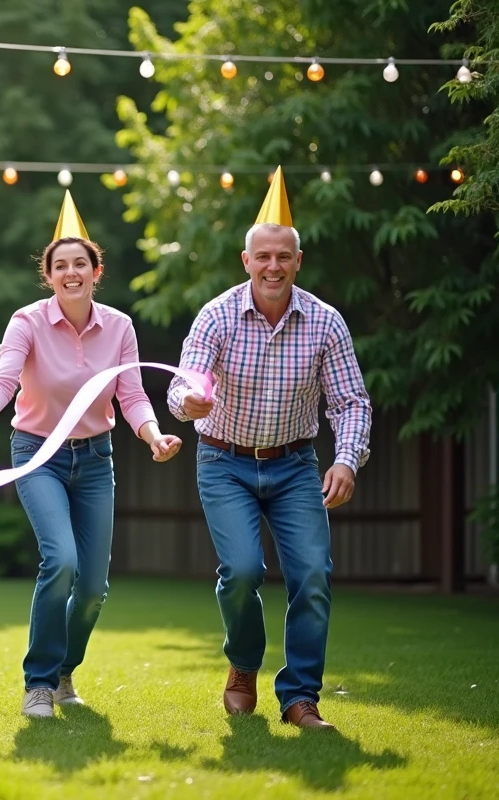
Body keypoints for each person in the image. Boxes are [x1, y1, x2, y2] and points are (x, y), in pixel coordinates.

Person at [0, 191, 182, 719]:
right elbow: (5, 379)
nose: (71, 272)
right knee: (60, 561)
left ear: (95, 270)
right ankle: (37, 682)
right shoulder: (28, 321)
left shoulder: (120, 326)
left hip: (96, 459)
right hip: (38, 455)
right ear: (50, 275)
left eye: (81, 263)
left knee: (95, 586)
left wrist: (153, 437)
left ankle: (63, 672)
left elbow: (131, 394)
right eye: (61, 265)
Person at [167, 167, 372, 730]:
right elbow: (181, 383)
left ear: (297, 261)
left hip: (296, 465)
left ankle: (300, 697)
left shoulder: (326, 322)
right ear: (247, 261)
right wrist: (190, 404)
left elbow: (351, 402)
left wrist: (347, 459)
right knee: (240, 571)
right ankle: (242, 664)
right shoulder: (217, 315)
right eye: (264, 257)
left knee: (312, 575)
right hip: (223, 461)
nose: (274, 266)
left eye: (284, 256)